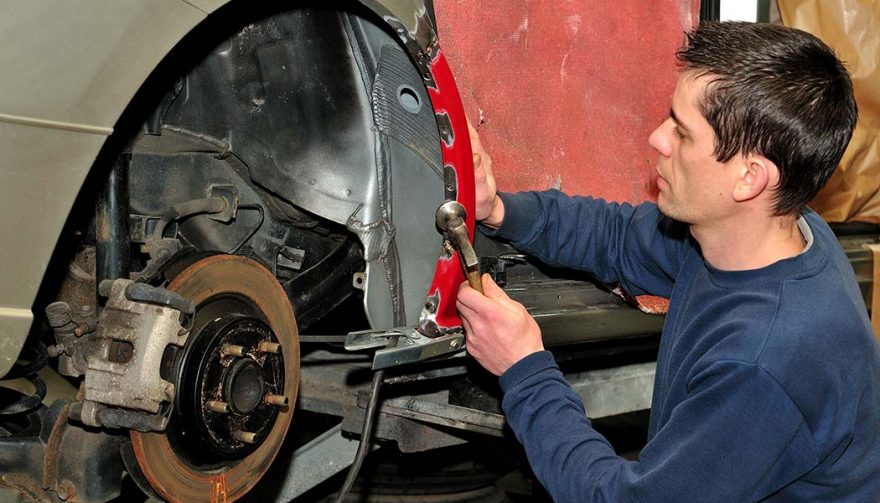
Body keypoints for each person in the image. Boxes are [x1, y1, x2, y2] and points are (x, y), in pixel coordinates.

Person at [456, 21, 880, 502]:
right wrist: (498, 209)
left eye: (682, 132)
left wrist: (523, 367)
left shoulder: (765, 363)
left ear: (749, 178)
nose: (658, 138)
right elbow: (616, 237)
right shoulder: (768, 233)